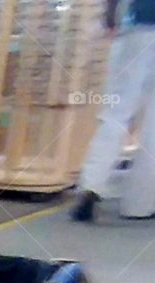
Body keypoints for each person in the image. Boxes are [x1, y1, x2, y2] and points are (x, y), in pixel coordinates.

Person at [72, 0, 155, 221]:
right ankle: (140, 204)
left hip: (136, 26)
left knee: (116, 113)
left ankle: (91, 186)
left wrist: (109, 18)